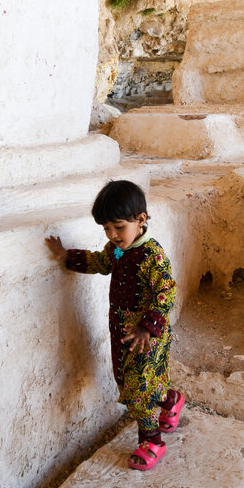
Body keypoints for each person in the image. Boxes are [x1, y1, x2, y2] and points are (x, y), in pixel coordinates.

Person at [45, 180, 185, 471]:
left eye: (118, 227)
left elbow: (167, 291)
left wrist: (148, 327)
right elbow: (101, 262)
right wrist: (66, 256)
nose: (112, 235)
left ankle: (152, 442)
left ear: (141, 220)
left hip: (148, 336)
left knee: (137, 390)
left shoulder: (152, 257)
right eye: (106, 229)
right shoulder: (118, 250)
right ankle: (172, 400)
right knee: (136, 382)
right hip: (122, 332)